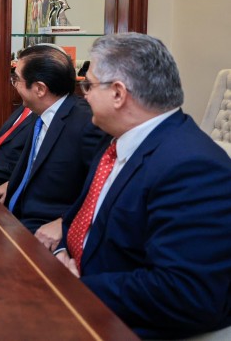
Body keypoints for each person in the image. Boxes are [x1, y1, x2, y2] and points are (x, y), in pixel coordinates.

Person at [54, 33, 231, 339]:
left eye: (89, 85)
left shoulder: (192, 167)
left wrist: (76, 289)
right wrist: (59, 252)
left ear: (119, 94)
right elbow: (82, 220)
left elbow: (184, 292)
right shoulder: (117, 141)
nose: (84, 95)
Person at [2, 44, 106, 250]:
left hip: (42, 229)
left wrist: (63, 223)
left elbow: (100, 188)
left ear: (40, 88)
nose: (14, 85)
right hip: (12, 217)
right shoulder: (41, 113)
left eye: (17, 79)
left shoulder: (86, 123)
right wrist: (11, 184)